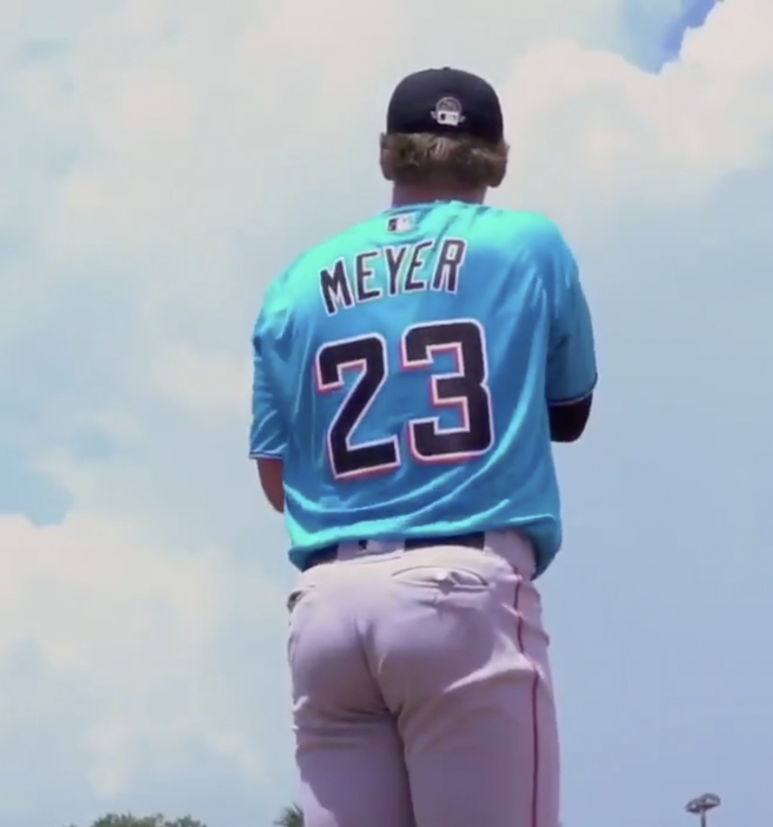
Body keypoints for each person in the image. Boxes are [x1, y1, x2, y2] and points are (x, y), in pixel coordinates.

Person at [247, 65, 597, 827]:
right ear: (497, 159)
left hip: (329, 606)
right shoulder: (527, 243)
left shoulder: (297, 280)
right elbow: (570, 411)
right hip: (461, 586)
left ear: (388, 154)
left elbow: (276, 479)